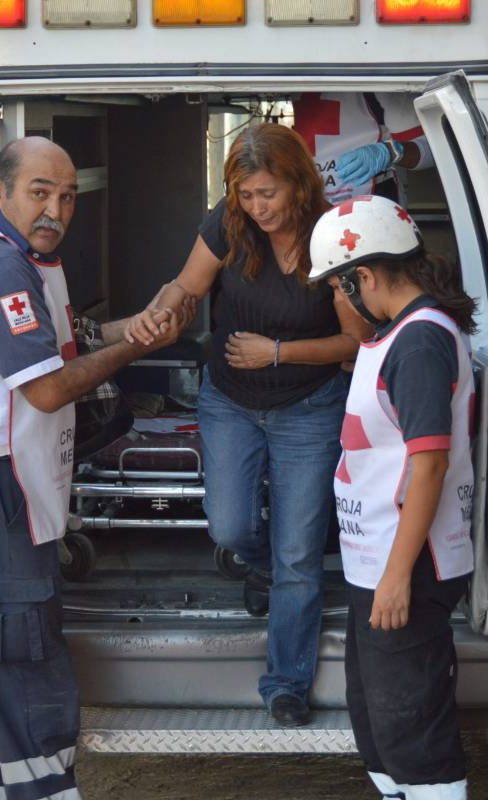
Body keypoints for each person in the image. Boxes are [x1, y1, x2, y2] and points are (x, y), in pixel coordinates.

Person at [0, 137, 183, 800]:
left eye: (68, 196)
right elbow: (47, 388)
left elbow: (62, 331)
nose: (55, 208)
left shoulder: (7, 252)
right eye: (39, 192)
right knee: (19, 653)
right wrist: (136, 350)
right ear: (0, 192)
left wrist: (136, 326)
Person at [126, 123, 370, 727]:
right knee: (230, 526)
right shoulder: (227, 224)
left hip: (310, 406)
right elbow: (188, 285)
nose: (258, 207)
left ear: (297, 184)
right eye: (246, 194)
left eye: (269, 194)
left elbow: (356, 339)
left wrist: (279, 352)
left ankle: (286, 681)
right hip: (230, 398)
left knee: (298, 552)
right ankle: (256, 565)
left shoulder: (330, 237)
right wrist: (165, 310)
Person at [307, 194, 477, 800]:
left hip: (409, 564)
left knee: (414, 730)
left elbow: (427, 466)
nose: (334, 302)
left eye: (335, 288)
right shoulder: (396, 336)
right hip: (377, 561)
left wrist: (398, 577)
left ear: (366, 277)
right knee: (380, 722)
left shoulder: (420, 344)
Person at [292, 92, 433, 205]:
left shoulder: (374, 71)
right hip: (313, 205)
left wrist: (390, 152)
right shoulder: (290, 74)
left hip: (374, 204)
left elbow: (430, 149)